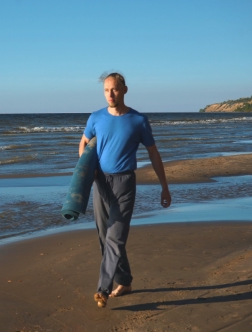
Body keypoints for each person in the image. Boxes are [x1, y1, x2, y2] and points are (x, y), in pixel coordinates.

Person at [78, 72, 171, 308]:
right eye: (107, 90)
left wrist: (164, 187)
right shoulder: (96, 117)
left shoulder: (138, 120)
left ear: (124, 90)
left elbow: (153, 153)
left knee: (115, 237)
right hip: (101, 182)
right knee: (104, 236)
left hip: (125, 184)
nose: (110, 94)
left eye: (115, 89)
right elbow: (83, 143)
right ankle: (125, 281)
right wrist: (87, 172)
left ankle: (103, 289)